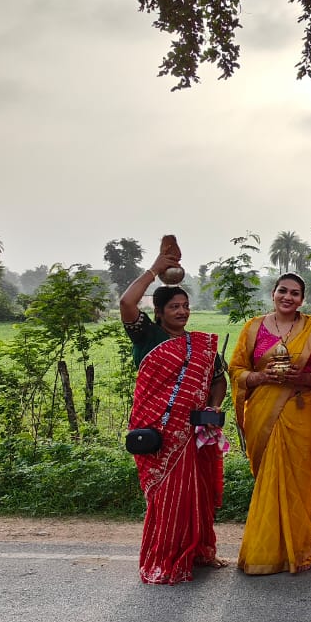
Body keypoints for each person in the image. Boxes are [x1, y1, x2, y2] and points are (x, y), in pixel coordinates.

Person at [120, 250, 228, 584]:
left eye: (185, 306)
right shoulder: (148, 336)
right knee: (167, 497)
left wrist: (213, 406)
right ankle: (165, 558)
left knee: (196, 493)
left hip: (194, 432)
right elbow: (126, 302)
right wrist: (155, 269)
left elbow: (219, 380)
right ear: (159, 312)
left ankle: (197, 551)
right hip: (159, 434)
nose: (182, 312)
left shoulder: (200, 345)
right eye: (174, 307)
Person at [230, 273, 311, 575]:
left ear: (302, 299)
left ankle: (297, 550)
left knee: (299, 484)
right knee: (268, 481)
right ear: (273, 293)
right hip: (264, 412)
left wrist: (304, 378)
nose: (288, 297)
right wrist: (260, 377)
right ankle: (265, 551)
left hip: (302, 412)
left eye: (295, 293)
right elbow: (236, 369)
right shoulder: (253, 328)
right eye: (283, 291)